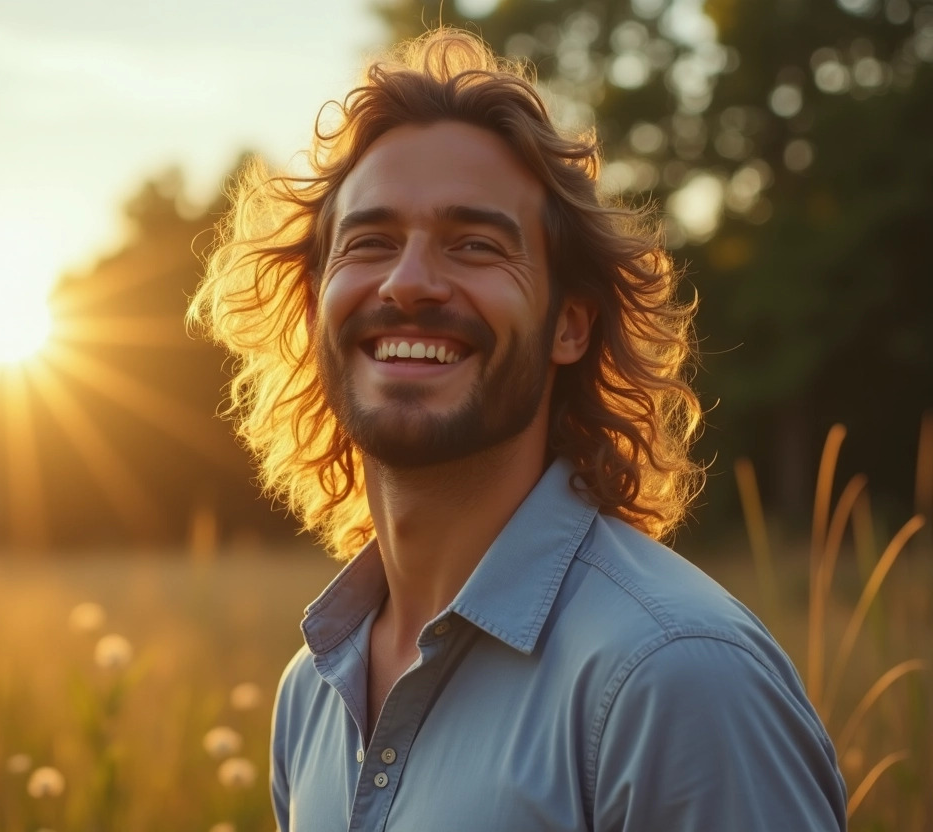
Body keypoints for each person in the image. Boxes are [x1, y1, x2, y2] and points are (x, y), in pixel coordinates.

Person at [189, 28, 847, 832]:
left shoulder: (675, 679)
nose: (410, 283)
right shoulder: (311, 695)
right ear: (317, 304)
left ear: (569, 325)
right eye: (370, 242)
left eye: (474, 245)